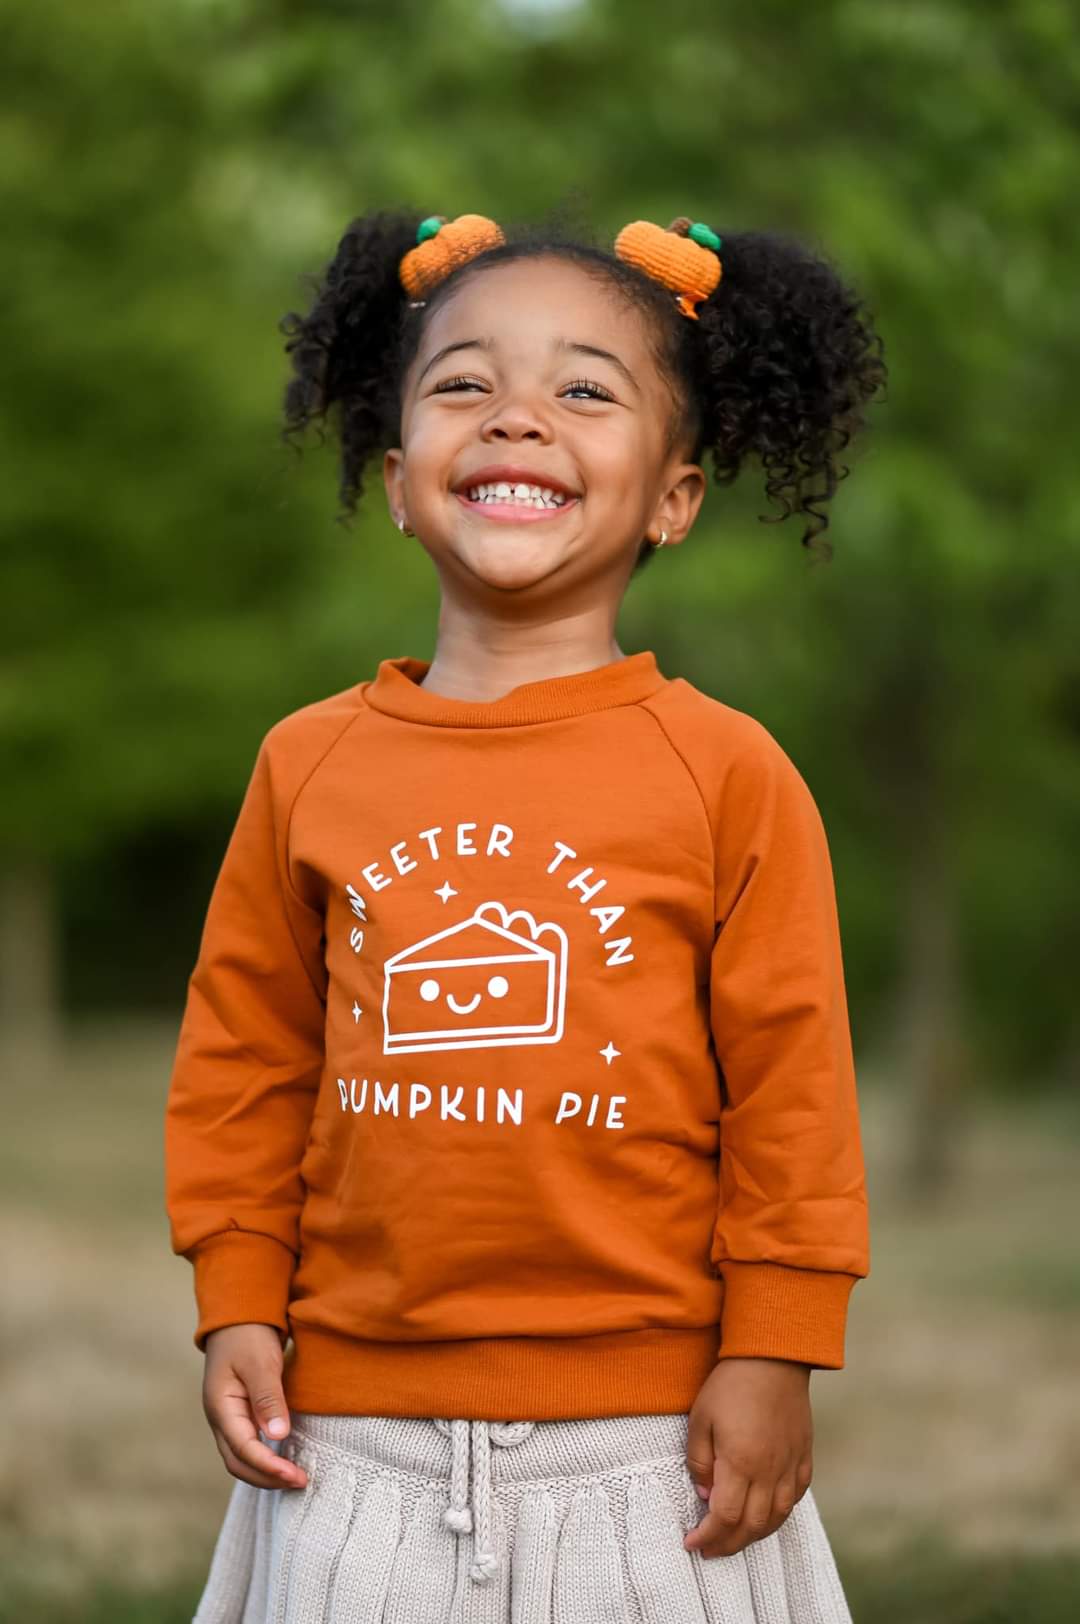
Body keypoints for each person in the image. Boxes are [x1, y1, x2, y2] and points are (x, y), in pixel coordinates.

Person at [164, 204, 884, 1623]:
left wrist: (777, 1350)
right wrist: (238, 1296)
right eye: (463, 384)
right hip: (347, 1438)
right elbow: (245, 1059)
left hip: (646, 1447)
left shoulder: (726, 772)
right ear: (395, 477)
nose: (515, 418)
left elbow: (793, 1093)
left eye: (583, 389)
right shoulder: (309, 763)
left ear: (673, 496)